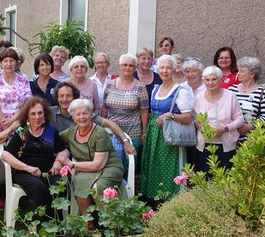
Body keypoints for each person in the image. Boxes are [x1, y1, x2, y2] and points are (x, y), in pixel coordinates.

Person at [0, 81, 136, 158]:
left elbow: (109, 123)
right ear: (57, 97)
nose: (64, 99)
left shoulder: (81, 114)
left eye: (68, 96)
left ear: (74, 97)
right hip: (52, 152)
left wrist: (125, 142)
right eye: (61, 96)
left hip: (77, 154)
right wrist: (7, 132)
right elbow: (23, 119)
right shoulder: (50, 111)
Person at [56, 99, 124, 215]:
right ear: (73, 117)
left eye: (85, 113)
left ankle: (109, 223)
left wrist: (71, 164)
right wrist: (58, 160)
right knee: (79, 182)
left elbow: (98, 165)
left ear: (91, 115)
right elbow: (55, 142)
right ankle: (88, 224)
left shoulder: (100, 133)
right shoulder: (71, 132)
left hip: (108, 167)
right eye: (78, 114)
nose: (82, 117)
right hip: (85, 170)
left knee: (99, 187)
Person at [140, 54, 194, 201]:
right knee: (153, 167)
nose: (164, 71)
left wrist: (170, 115)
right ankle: (154, 201)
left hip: (169, 136)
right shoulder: (155, 89)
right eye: (162, 67)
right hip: (154, 135)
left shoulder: (180, 91)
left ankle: (170, 201)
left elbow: (188, 117)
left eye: (168, 68)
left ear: (174, 70)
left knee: (169, 169)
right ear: (157, 69)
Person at [1, 97, 66, 217]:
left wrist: (58, 160)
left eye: (40, 113)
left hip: (48, 172)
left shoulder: (50, 131)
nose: (37, 117)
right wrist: (27, 168)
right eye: (33, 114)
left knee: (59, 185)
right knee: (38, 187)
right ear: (27, 116)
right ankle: (41, 227)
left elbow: (63, 150)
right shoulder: (22, 131)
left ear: (45, 114)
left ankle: (58, 225)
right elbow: (6, 154)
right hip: (25, 173)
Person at [193, 66, 245, 173]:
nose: (210, 83)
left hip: (225, 146)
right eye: (207, 80)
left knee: (224, 179)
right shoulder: (199, 97)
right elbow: (194, 118)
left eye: (214, 79)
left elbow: (240, 119)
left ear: (220, 80)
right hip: (204, 145)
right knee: (205, 178)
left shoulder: (230, 96)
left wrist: (225, 128)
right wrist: (203, 128)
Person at [101, 53, 149, 161]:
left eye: (131, 65)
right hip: (111, 132)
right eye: (125, 65)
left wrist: (144, 132)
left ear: (135, 68)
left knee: (129, 165)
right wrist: (102, 127)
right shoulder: (109, 84)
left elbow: (144, 111)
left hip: (133, 132)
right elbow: (104, 107)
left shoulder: (140, 87)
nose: (127, 68)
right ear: (120, 66)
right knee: (112, 163)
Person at [0, 47, 32, 136]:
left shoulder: (23, 79)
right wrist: (3, 122)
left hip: (18, 124)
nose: (9, 64)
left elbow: (28, 102)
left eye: (11, 60)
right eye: (5, 60)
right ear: (1, 63)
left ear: (16, 63)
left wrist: (12, 121)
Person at [228, 57, 265, 142]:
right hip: (230, 140)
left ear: (252, 74)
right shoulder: (231, 90)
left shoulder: (263, 93)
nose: (238, 74)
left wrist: (249, 126)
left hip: (251, 142)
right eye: (238, 70)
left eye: (242, 71)